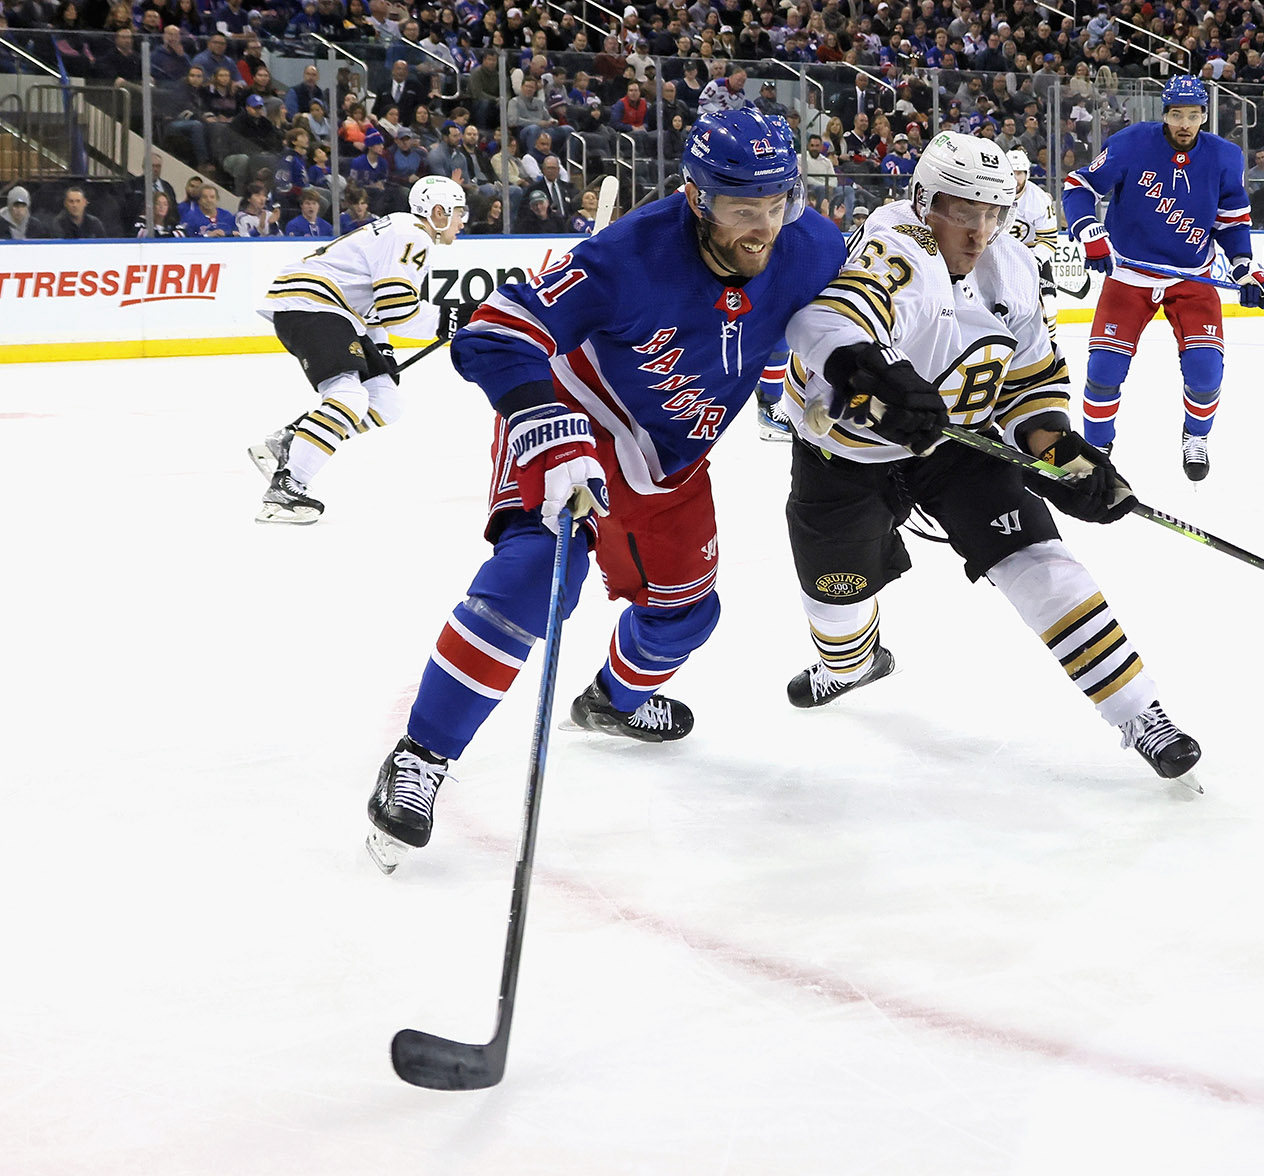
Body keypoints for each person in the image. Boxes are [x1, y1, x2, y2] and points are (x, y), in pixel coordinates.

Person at [362, 109, 844, 869]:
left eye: (777, 203)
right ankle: (421, 757)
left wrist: (851, 375)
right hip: (576, 423)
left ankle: (610, 704)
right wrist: (543, 423)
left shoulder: (812, 245)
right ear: (695, 197)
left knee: (688, 614)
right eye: (742, 209)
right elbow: (494, 330)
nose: (764, 227)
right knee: (534, 581)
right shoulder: (626, 257)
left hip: (672, 458)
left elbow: (836, 321)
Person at [779, 130, 1199, 784]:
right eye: (962, 210)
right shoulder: (900, 244)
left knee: (1041, 562)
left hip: (960, 447)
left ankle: (1140, 713)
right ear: (924, 201)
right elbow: (849, 313)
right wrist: (875, 369)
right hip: (847, 450)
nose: (979, 231)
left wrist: (1059, 454)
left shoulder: (1014, 267)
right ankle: (851, 665)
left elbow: (1031, 383)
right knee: (835, 600)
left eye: (993, 212)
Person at [1061, 75, 1264, 481]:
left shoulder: (1226, 157)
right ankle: (1096, 450)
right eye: (1177, 114)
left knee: (1206, 372)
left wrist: (1244, 266)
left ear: (1205, 115)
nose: (1185, 124)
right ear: (1165, 115)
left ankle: (1197, 437)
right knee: (1103, 371)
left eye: (1193, 114)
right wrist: (1088, 230)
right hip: (1130, 275)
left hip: (1193, 279)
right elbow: (1079, 185)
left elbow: (1231, 222)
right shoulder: (1131, 143)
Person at [248, 174, 466, 526]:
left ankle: (292, 439)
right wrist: (454, 317)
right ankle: (286, 488)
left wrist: (384, 350)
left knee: (386, 402)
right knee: (348, 397)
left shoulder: (403, 230)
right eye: (458, 212)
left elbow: (380, 306)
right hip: (312, 303)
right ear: (438, 212)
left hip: (333, 310)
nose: (462, 221)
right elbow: (399, 309)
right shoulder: (413, 235)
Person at [1005, 147, 1060, 345]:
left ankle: (1049, 347)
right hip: (1000, 255)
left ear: (1027, 174)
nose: (1015, 178)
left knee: (1049, 304)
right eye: (1011, 173)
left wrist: (1032, 261)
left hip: (1031, 255)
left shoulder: (1038, 199)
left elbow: (1049, 240)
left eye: (1019, 173)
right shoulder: (992, 194)